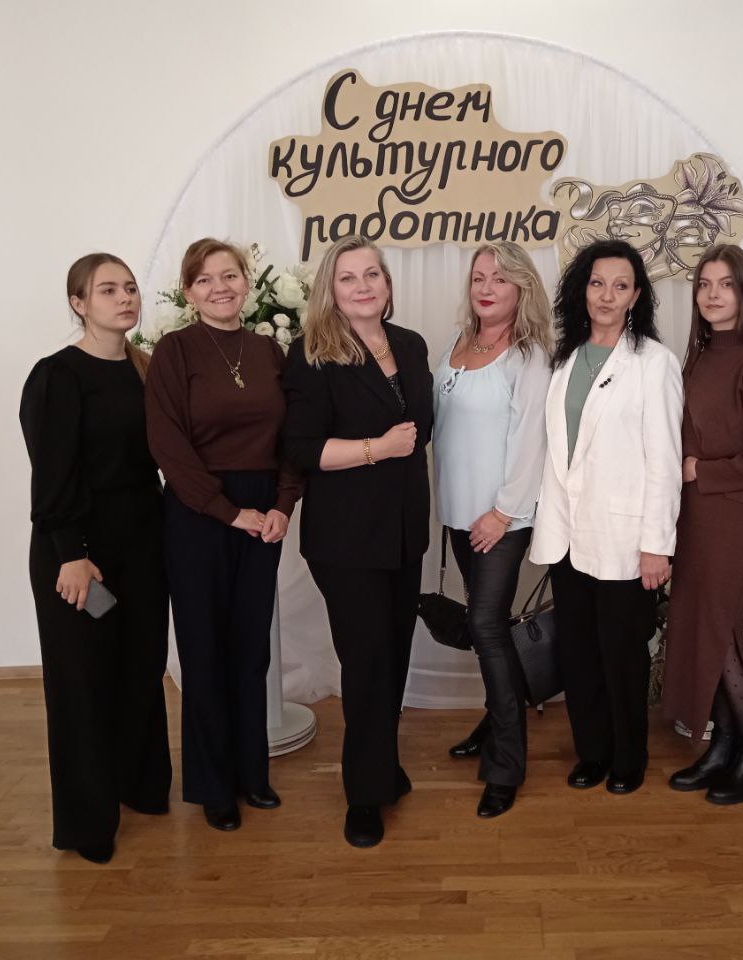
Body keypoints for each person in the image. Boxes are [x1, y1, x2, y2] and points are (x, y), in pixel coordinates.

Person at [281, 235, 433, 848]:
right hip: (346, 540)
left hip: (404, 531)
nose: (363, 285)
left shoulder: (411, 345)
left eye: (372, 274)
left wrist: (401, 446)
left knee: (393, 655)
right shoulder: (311, 354)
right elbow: (302, 448)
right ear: (331, 289)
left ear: (387, 284)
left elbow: (423, 428)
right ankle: (364, 796)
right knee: (367, 662)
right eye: (348, 277)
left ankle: (384, 766)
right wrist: (378, 448)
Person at [145, 237, 301, 833]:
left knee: (251, 647)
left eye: (230, 276)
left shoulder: (268, 350)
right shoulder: (174, 351)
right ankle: (213, 786)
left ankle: (252, 774)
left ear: (246, 283)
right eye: (206, 279)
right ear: (189, 292)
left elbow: (292, 436)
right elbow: (166, 444)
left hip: (263, 511)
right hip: (197, 513)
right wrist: (225, 511)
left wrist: (283, 504)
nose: (220, 288)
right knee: (205, 649)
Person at [20, 253, 170, 864]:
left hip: (143, 547)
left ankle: (140, 785)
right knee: (83, 680)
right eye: (107, 290)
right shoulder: (57, 375)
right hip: (82, 557)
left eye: (130, 287)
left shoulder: (145, 369)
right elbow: (52, 475)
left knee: (139, 666)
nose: (124, 298)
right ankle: (88, 821)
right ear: (78, 303)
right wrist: (72, 556)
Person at [530, 238, 683, 795]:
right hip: (568, 534)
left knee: (622, 655)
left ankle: (628, 757)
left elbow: (665, 461)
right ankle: (591, 751)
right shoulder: (565, 357)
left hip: (624, 537)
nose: (607, 295)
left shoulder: (654, 364)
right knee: (579, 651)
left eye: (621, 286)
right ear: (582, 289)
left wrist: (657, 544)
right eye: (598, 283)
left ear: (636, 296)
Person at [662, 244, 743, 805]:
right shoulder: (699, 353)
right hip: (695, 511)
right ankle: (723, 746)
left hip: (734, 509)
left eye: (726, 284)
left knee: (719, 628)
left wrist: (701, 471)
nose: (713, 294)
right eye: (704, 284)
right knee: (699, 624)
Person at [433, 241, 553, 818]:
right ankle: (493, 721)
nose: (486, 287)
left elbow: (534, 442)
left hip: (501, 518)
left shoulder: (528, 357)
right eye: (479, 277)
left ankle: (507, 765)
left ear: (521, 288)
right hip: (459, 513)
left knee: (484, 624)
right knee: (492, 628)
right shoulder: (458, 344)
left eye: (500, 279)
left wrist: (502, 513)